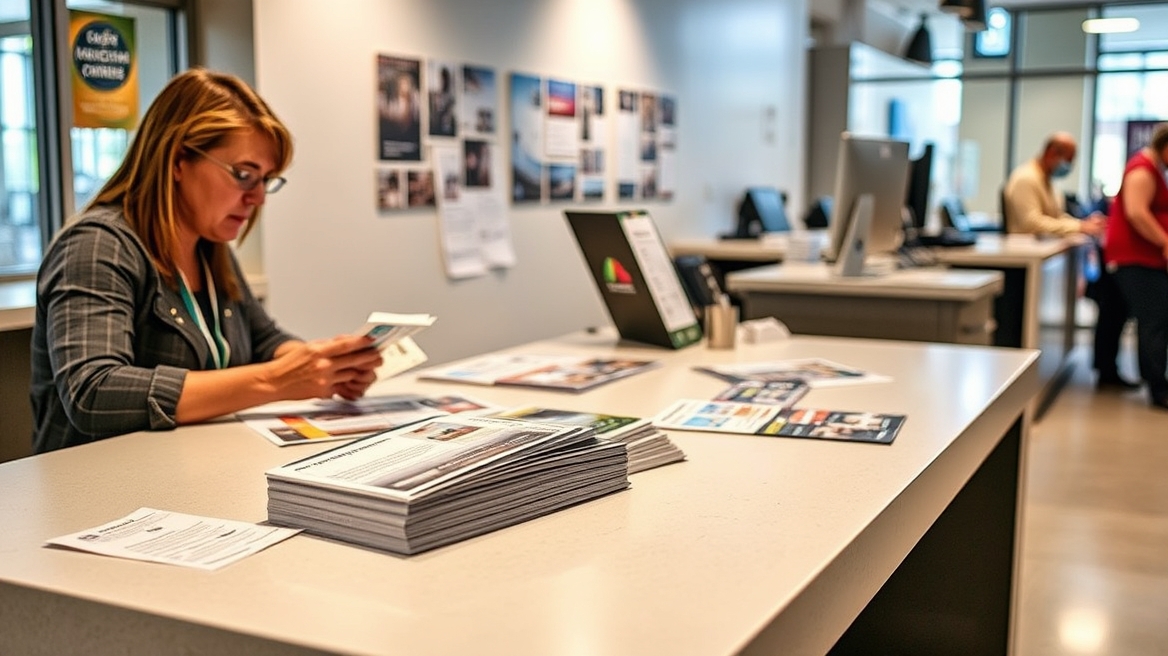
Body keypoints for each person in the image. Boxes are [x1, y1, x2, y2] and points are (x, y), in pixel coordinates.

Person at [30, 68, 384, 453]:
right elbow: (93, 391)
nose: (258, 198)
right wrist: (277, 380)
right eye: (244, 174)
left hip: (189, 464)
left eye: (266, 180)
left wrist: (324, 367)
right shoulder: (98, 244)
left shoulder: (209, 247)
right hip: (100, 479)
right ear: (178, 160)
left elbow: (265, 340)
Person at [1003, 131, 1136, 390]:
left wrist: (1082, 224)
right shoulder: (1026, 179)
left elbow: (1055, 216)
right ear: (1052, 153)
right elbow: (1032, 222)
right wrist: (1079, 227)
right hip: (1025, 261)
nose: (1070, 166)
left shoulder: (1047, 181)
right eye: (1068, 159)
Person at [1104, 122, 1168, 411]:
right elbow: (1136, 213)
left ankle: (1109, 373)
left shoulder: (1153, 168)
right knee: (1155, 318)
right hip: (1135, 257)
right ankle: (1158, 388)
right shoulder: (1143, 169)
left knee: (1117, 314)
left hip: (1140, 257)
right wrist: (1165, 241)